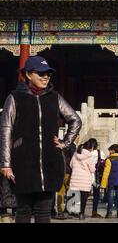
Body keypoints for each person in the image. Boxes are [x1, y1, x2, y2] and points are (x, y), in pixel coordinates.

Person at [0, 56, 81, 223]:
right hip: (23, 162)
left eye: (48, 74)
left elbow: (75, 119)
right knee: (23, 211)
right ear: (29, 75)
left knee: (44, 213)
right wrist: (5, 163)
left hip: (49, 163)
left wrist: (65, 143)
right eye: (41, 73)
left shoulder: (54, 97)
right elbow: (6, 129)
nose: (46, 77)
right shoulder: (14, 98)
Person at [69, 140, 96, 220]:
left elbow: (71, 165)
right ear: (90, 148)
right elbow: (92, 169)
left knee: (74, 196)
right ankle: (81, 214)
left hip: (75, 178)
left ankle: (70, 212)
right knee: (83, 198)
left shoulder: (75, 154)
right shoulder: (89, 156)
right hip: (85, 180)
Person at [101, 144, 118, 219]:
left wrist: (103, 184)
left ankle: (109, 213)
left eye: (110, 150)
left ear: (112, 150)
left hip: (111, 181)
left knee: (110, 196)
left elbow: (106, 173)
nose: (109, 152)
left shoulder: (109, 160)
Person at [55, 142, 77, 220]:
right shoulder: (72, 146)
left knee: (60, 192)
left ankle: (60, 211)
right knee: (70, 191)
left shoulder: (60, 144)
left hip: (60, 171)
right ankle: (68, 210)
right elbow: (73, 159)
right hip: (68, 171)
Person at [90, 138, 106, 218]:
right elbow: (103, 164)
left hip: (86, 175)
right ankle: (94, 211)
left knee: (83, 194)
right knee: (96, 194)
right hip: (96, 175)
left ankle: (80, 211)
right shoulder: (100, 153)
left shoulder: (85, 152)